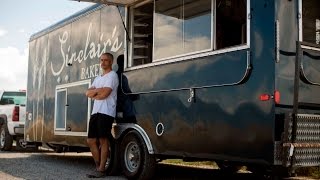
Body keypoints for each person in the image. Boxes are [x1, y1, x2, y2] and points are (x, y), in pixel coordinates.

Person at [85, 52, 119, 178]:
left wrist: (95, 93)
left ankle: (101, 170)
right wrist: (98, 91)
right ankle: (99, 165)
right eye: (101, 60)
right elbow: (87, 93)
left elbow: (105, 94)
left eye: (105, 60)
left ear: (111, 62)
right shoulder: (98, 78)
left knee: (103, 140)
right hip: (96, 112)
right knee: (91, 140)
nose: (103, 62)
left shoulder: (112, 76)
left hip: (106, 112)